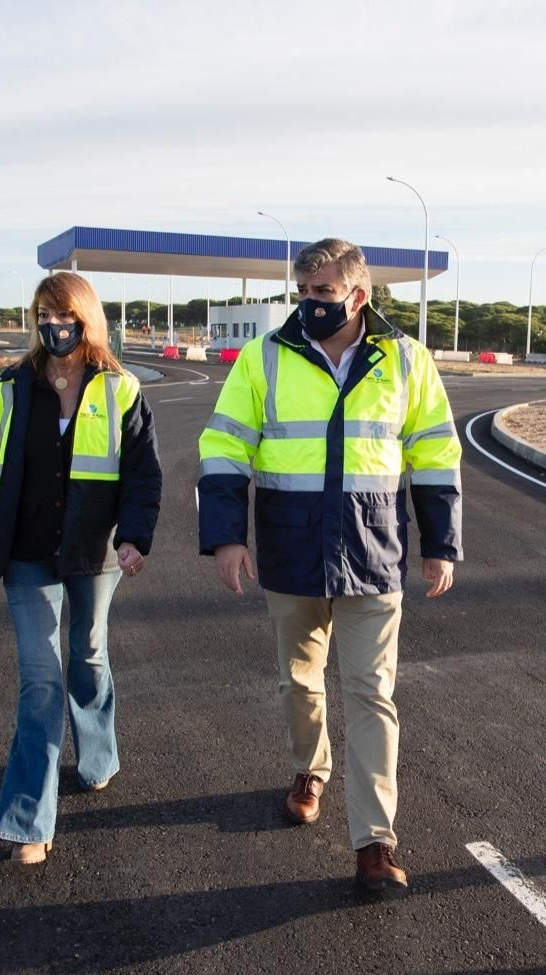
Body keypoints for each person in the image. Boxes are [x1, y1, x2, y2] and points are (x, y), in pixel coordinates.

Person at [198, 238, 462, 893]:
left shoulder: (406, 360)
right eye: (304, 292)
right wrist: (226, 536)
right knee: (300, 681)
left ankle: (375, 841)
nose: (311, 303)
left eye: (323, 292)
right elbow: (225, 446)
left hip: (375, 554)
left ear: (358, 294)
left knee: (373, 694)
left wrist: (441, 543)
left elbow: (434, 453)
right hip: (290, 550)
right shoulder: (264, 358)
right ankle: (309, 769)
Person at [0, 272, 161, 865]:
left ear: (87, 317)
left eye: (65, 314)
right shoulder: (6, 390)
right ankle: (28, 820)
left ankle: (97, 754)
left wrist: (136, 537)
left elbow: (144, 474)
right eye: (44, 313)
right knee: (40, 678)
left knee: (88, 654)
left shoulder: (120, 389)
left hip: (95, 552)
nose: (54, 324)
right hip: (24, 551)